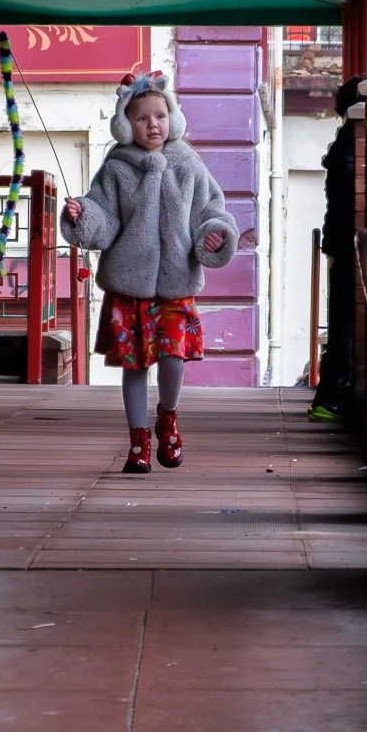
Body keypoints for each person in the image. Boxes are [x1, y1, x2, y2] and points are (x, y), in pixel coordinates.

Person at [60, 70, 236, 474]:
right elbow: (104, 218)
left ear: (172, 118)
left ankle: (168, 417)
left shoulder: (189, 164)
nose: (152, 125)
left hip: (176, 282)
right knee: (134, 364)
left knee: (173, 356)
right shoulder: (116, 168)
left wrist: (214, 236)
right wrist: (83, 215)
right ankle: (137, 439)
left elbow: (211, 212)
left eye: (160, 116)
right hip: (129, 282)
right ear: (126, 124)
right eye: (142, 118)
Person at [310, 80, 360, 421]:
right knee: (344, 322)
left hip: (339, 243)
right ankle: (334, 396)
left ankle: (332, 395)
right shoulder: (351, 146)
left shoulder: (344, 143)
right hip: (347, 245)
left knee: (342, 320)